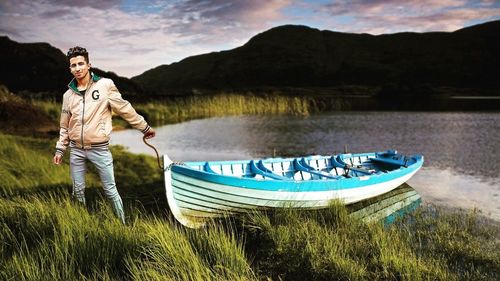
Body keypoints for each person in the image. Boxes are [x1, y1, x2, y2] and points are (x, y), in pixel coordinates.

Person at [53, 46, 155, 224]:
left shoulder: (105, 85)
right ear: (69, 68)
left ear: (89, 65)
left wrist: (144, 127)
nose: (77, 68)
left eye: (80, 64)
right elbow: (64, 126)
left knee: (110, 189)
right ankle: (82, 223)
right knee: (77, 190)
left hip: (100, 149)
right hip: (76, 150)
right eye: (73, 65)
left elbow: (124, 108)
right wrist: (60, 149)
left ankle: (122, 225)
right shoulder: (68, 95)